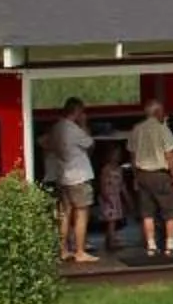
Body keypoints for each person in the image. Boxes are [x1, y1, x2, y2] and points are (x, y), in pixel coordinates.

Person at [128, 96, 173, 257]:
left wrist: (135, 176)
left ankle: (151, 246)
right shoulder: (162, 129)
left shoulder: (136, 129)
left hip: (142, 174)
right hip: (160, 175)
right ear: (158, 112)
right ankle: (170, 245)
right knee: (171, 210)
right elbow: (170, 154)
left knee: (147, 212)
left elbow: (132, 156)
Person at [48, 96, 97, 264]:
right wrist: (84, 124)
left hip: (63, 175)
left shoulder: (56, 127)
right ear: (77, 112)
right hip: (79, 176)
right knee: (82, 213)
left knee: (65, 213)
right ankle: (80, 251)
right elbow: (90, 143)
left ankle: (63, 250)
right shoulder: (73, 129)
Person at [93, 143, 130, 259]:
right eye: (114, 154)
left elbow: (122, 185)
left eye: (118, 154)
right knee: (111, 219)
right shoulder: (106, 169)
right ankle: (111, 240)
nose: (117, 157)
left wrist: (127, 198)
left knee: (114, 219)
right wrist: (105, 195)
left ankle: (110, 238)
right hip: (108, 196)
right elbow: (102, 182)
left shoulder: (119, 169)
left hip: (116, 196)